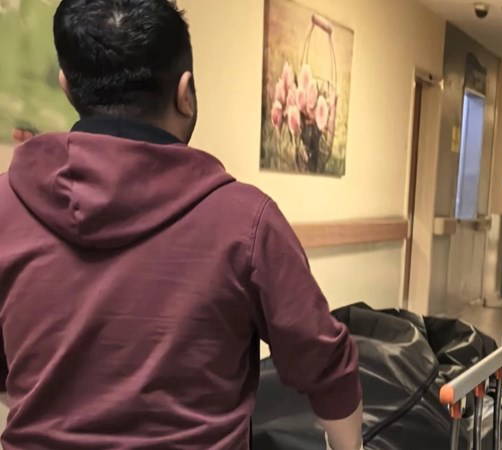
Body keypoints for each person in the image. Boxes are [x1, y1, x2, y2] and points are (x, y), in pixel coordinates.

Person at [0, 1, 363, 449]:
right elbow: (325, 365)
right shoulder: (246, 221)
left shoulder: (5, 206)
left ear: (66, 85)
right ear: (185, 92)